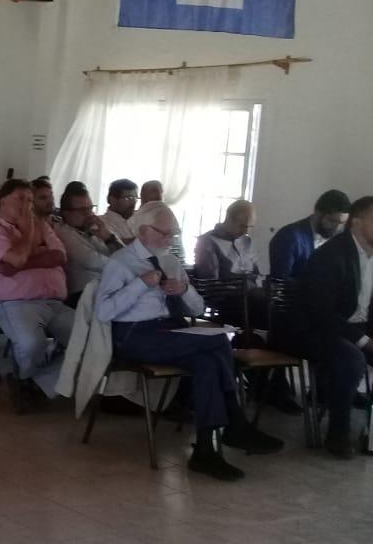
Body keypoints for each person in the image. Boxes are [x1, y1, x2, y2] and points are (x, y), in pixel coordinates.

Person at [96, 201, 283, 479]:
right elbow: (103, 311)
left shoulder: (170, 261)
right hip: (134, 335)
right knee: (218, 343)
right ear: (143, 231)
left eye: (174, 233)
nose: (170, 239)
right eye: (165, 233)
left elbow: (197, 309)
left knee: (206, 362)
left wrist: (183, 289)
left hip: (170, 331)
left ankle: (205, 450)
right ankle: (235, 423)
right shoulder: (120, 263)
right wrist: (140, 284)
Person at [0, 179, 75, 412]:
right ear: (2, 201)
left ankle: (31, 382)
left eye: (30, 200)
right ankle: (31, 383)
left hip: (54, 303)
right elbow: (17, 259)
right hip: (16, 304)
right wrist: (30, 235)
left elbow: (59, 256)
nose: (27, 205)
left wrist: (19, 264)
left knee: (91, 339)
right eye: (20, 199)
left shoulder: (44, 227)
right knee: (32, 343)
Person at [300, 196, 373, 458]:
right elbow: (321, 312)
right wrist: (363, 340)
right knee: (352, 358)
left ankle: (370, 433)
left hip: (355, 325)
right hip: (319, 329)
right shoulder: (331, 255)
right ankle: (338, 433)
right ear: (357, 221)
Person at [55, 185, 121, 307]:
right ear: (66, 213)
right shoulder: (62, 233)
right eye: (82, 211)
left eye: (90, 208)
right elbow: (93, 262)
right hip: (82, 296)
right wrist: (128, 265)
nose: (89, 214)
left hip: (108, 289)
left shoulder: (94, 228)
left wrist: (109, 238)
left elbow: (126, 255)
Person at [269, 189, 350, 280]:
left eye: (341, 223)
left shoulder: (339, 240)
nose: (337, 228)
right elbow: (281, 281)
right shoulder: (288, 237)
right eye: (332, 221)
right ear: (317, 213)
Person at [195, 200, 262, 283]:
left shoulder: (247, 241)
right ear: (228, 219)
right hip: (223, 290)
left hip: (250, 289)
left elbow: (257, 275)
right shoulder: (206, 242)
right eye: (242, 226)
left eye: (250, 227)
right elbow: (209, 283)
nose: (246, 231)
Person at [100, 179, 139, 244]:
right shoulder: (101, 223)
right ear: (112, 199)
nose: (133, 202)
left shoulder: (140, 217)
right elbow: (109, 245)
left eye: (135, 198)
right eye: (128, 198)